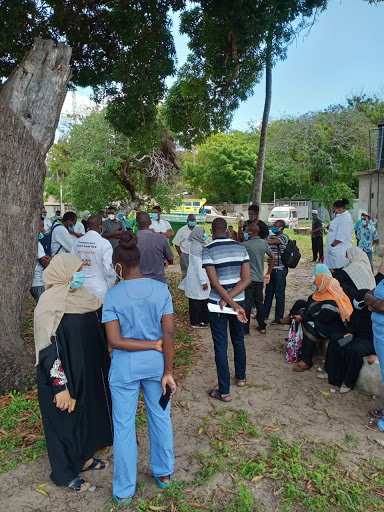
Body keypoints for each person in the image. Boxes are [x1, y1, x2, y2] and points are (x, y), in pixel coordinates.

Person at [102, 231, 176, 504]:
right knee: (160, 418)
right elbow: (168, 336)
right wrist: (167, 371)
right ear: (140, 260)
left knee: (123, 425)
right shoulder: (161, 290)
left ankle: (123, 489)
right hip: (157, 366)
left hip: (124, 369)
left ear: (118, 266)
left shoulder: (112, 295)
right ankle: (164, 472)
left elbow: (115, 340)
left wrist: (149, 347)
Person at [34, 253, 112, 491]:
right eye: (76, 270)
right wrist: (60, 387)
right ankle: (64, 473)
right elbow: (48, 348)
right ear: (64, 273)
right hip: (62, 376)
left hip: (86, 372)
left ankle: (84, 458)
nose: (80, 275)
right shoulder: (49, 304)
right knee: (64, 422)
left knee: (85, 416)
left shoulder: (84, 297)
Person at [202, 218, 250, 403]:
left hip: (217, 304)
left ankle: (224, 391)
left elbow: (214, 282)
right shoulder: (241, 248)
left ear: (212, 231)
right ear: (227, 231)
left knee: (220, 345)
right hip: (238, 301)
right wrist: (235, 303)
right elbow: (246, 280)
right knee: (238, 340)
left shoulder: (208, 249)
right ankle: (241, 378)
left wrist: (225, 299)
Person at [293, 269, 353, 372]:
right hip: (324, 322)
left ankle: (306, 361)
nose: (315, 284)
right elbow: (312, 310)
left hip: (333, 327)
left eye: (317, 282)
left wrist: (304, 317)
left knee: (310, 326)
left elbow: (322, 317)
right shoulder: (320, 294)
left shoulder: (332, 300)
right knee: (303, 316)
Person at [321, 289, 374, 393]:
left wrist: (376, 354)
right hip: (355, 336)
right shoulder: (358, 311)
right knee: (337, 339)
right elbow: (351, 323)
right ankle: (330, 372)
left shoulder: (374, 314)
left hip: (369, 341)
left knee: (355, 350)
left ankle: (347, 382)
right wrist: (350, 332)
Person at [242, 224, 276, 335]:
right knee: (259, 302)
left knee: (247, 303)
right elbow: (273, 257)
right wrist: (268, 273)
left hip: (248, 279)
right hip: (259, 278)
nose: (245, 233)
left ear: (250, 233)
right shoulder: (264, 243)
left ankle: (245, 328)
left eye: (246, 232)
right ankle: (262, 326)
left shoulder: (245, 245)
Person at [71, 215, 116, 298]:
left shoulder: (77, 242)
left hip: (80, 288)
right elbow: (109, 270)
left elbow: (71, 265)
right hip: (99, 289)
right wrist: (109, 287)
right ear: (100, 227)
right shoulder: (104, 243)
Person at [179, 226, 210, 328]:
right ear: (198, 234)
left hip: (195, 278)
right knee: (198, 301)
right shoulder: (197, 248)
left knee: (198, 300)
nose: (205, 235)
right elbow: (199, 266)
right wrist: (203, 281)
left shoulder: (196, 244)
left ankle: (201, 320)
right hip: (198, 279)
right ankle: (197, 321)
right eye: (203, 233)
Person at [365, 282, 384, 432]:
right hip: (379, 334)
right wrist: (375, 303)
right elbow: (367, 295)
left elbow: (382, 307)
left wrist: (374, 304)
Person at [136, 212, 174, 283]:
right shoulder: (161, 238)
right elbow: (170, 260)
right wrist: (163, 258)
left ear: (136, 224)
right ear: (150, 222)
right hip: (158, 280)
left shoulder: (132, 240)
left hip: (138, 280)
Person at [263, 220, 289, 325]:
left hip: (281, 269)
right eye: (273, 225)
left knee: (279, 294)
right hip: (271, 269)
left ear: (281, 228)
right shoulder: (271, 237)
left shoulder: (283, 237)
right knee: (268, 293)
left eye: (275, 226)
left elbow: (272, 242)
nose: (273, 227)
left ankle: (279, 318)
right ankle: (264, 314)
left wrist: (263, 241)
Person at [324, 198, 353, 271]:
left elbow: (341, 237)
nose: (334, 213)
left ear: (339, 209)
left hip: (338, 251)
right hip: (334, 250)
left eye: (334, 211)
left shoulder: (345, 219)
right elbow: (336, 228)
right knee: (331, 269)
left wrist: (332, 245)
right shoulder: (340, 217)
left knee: (337, 271)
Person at [31, 219, 51, 302]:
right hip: (37, 282)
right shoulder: (35, 243)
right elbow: (44, 261)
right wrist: (49, 260)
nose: (44, 229)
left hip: (36, 281)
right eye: (42, 226)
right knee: (44, 305)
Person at [173, 214, 196, 278]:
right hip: (185, 254)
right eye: (191, 220)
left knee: (196, 272)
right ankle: (186, 286)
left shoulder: (198, 229)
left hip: (196, 254)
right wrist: (181, 254)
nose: (192, 221)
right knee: (186, 273)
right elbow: (176, 243)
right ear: (187, 220)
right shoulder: (182, 230)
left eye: (194, 220)